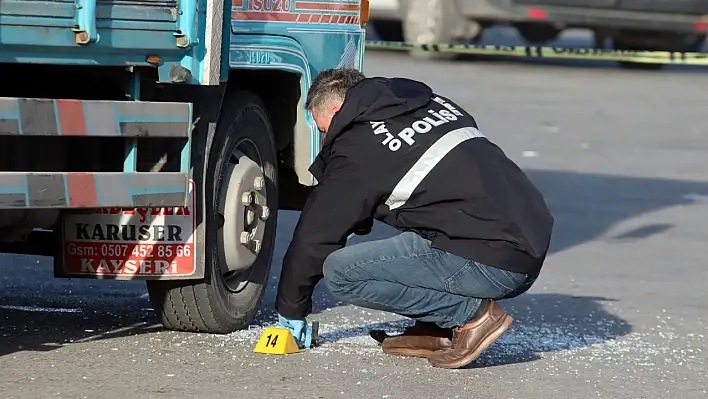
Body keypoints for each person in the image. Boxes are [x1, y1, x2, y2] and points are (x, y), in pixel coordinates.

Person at [275, 68, 554, 369]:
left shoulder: (359, 146)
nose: (326, 137)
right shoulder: (429, 103)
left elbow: (316, 235)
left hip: (494, 261)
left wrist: (291, 308)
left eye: (323, 128)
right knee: (412, 238)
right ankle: (436, 328)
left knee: (342, 272)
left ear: (337, 109)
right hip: (525, 240)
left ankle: (471, 317)